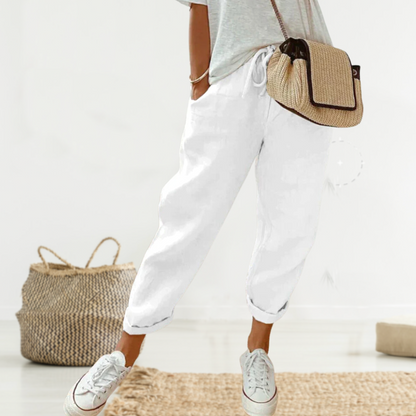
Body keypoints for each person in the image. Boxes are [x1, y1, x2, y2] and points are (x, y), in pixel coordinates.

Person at [63, 1, 334, 415]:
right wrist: (199, 82)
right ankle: (122, 353)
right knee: (187, 217)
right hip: (231, 76)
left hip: (305, 72)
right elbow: (200, 3)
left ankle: (258, 351)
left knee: (292, 222)